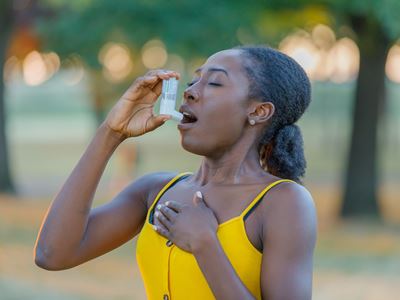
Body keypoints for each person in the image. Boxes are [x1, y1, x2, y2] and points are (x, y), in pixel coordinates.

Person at [34, 45, 317, 300]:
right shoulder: (154, 191)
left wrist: (205, 244)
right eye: (195, 80)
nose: (190, 90)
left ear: (259, 111)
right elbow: (53, 254)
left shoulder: (284, 202)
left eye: (215, 82)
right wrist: (111, 133)